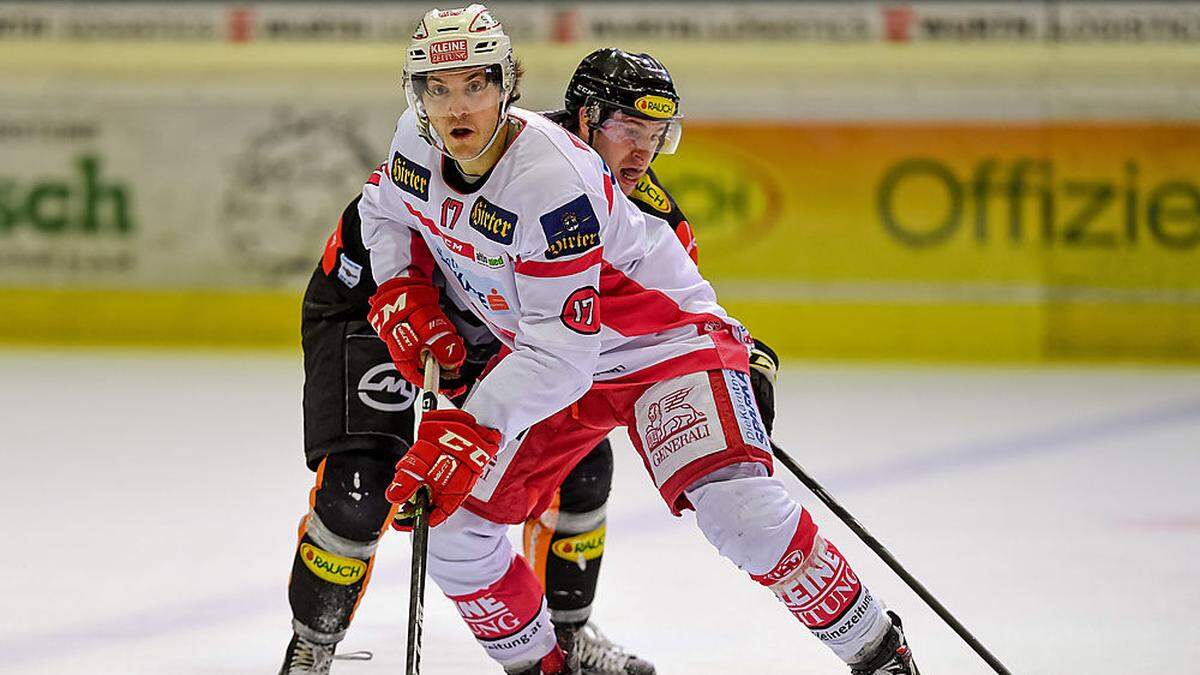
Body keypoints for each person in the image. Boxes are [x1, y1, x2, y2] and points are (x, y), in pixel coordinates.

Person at [362, 5, 920, 675]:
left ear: (507, 85)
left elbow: (562, 355)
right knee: (454, 530)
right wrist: (400, 287)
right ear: (414, 93)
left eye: (475, 85)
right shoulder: (413, 144)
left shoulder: (552, 182)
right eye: (437, 88)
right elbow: (385, 205)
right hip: (558, 358)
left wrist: (468, 429)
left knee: (739, 510)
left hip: (660, 353)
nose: (456, 106)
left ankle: (879, 653)